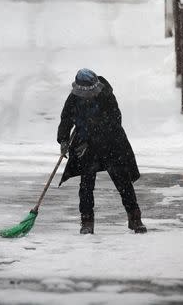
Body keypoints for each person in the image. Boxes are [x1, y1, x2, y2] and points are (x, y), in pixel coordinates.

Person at [57, 69, 147, 235]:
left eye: (90, 92)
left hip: (112, 144)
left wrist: (90, 136)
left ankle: (135, 219)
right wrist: (63, 140)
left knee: (123, 183)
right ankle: (87, 222)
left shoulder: (106, 96)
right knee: (86, 185)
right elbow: (66, 119)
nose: (88, 96)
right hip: (86, 148)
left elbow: (114, 121)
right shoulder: (74, 98)